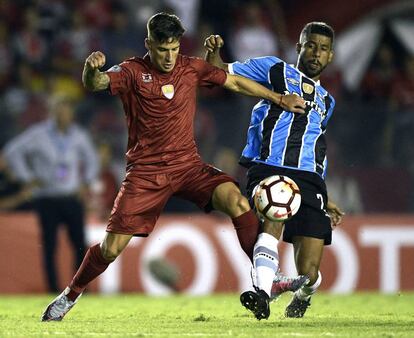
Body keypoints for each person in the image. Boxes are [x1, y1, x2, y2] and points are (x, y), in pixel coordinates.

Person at [40, 12, 307, 322]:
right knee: (111, 249)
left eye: (174, 48)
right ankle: (69, 295)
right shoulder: (131, 71)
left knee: (236, 200)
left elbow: (232, 80)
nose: (169, 57)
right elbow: (97, 83)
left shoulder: (190, 68)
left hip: (188, 166)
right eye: (162, 49)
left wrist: (277, 97)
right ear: (148, 44)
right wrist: (90, 69)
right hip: (145, 174)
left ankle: (268, 276)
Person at [205, 21, 344, 319]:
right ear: (299, 47)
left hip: (309, 180)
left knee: (309, 272)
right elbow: (223, 73)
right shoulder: (275, 70)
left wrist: (324, 194)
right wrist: (214, 55)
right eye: (311, 46)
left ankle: (303, 296)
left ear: (330, 56)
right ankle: (262, 295)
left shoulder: (328, 102)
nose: (316, 54)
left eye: (323, 49)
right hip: (269, 165)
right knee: (274, 212)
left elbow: (316, 146)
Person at [4, 94, 99, 293]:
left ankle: (79, 288)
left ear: (71, 113)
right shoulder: (37, 134)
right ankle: (53, 290)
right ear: (52, 111)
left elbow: (92, 159)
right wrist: (27, 177)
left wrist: (86, 182)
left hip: (71, 197)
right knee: (49, 246)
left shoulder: (78, 135)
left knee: (79, 245)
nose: (63, 113)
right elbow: (12, 152)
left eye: (66, 109)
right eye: (59, 108)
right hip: (46, 198)